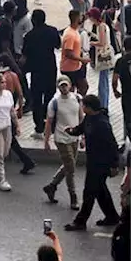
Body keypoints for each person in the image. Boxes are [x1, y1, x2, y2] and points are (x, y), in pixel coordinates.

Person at [64, 95, 119, 231]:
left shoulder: (102, 124)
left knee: (89, 192)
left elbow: (112, 145)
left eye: (83, 106)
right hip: (93, 161)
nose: (82, 108)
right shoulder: (90, 118)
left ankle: (80, 221)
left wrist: (114, 165)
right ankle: (112, 216)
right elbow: (81, 128)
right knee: (100, 191)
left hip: (101, 164)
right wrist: (72, 131)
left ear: (89, 107)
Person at [41, 76, 82, 208]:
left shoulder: (77, 98)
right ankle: (73, 196)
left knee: (69, 165)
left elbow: (81, 117)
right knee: (71, 168)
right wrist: (46, 140)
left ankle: (52, 186)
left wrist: (83, 136)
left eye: (66, 85)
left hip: (75, 137)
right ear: (58, 87)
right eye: (61, 86)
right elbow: (49, 122)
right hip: (62, 138)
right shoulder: (54, 102)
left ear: (70, 85)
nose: (64, 88)